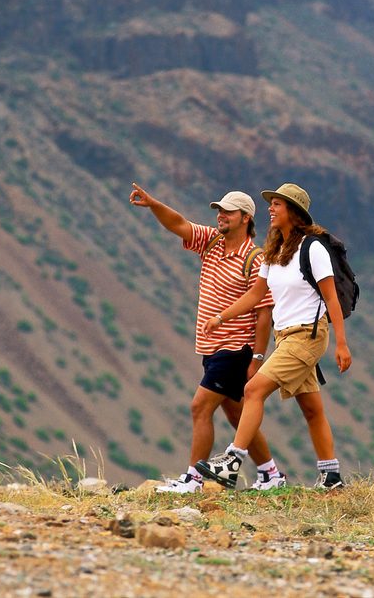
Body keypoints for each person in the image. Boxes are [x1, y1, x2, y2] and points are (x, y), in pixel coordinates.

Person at [129, 183, 286, 493]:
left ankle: (193, 479)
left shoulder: (255, 259)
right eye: (219, 211)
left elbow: (264, 313)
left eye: (228, 212)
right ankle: (271, 473)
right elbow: (180, 225)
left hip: (236, 348)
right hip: (212, 349)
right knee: (236, 412)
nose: (221, 216)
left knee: (200, 407)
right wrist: (153, 204)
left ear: (245, 218)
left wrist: (257, 357)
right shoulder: (212, 242)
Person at [196, 183, 352, 490]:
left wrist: (342, 344)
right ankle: (330, 475)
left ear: (293, 212)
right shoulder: (274, 251)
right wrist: (220, 317)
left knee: (253, 390)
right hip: (285, 338)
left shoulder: (313, 248)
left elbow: (331, 299)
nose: (270, 208)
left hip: (307, 336)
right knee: (311, 408)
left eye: (277, 204)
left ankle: (232, 460)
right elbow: (256, 294)